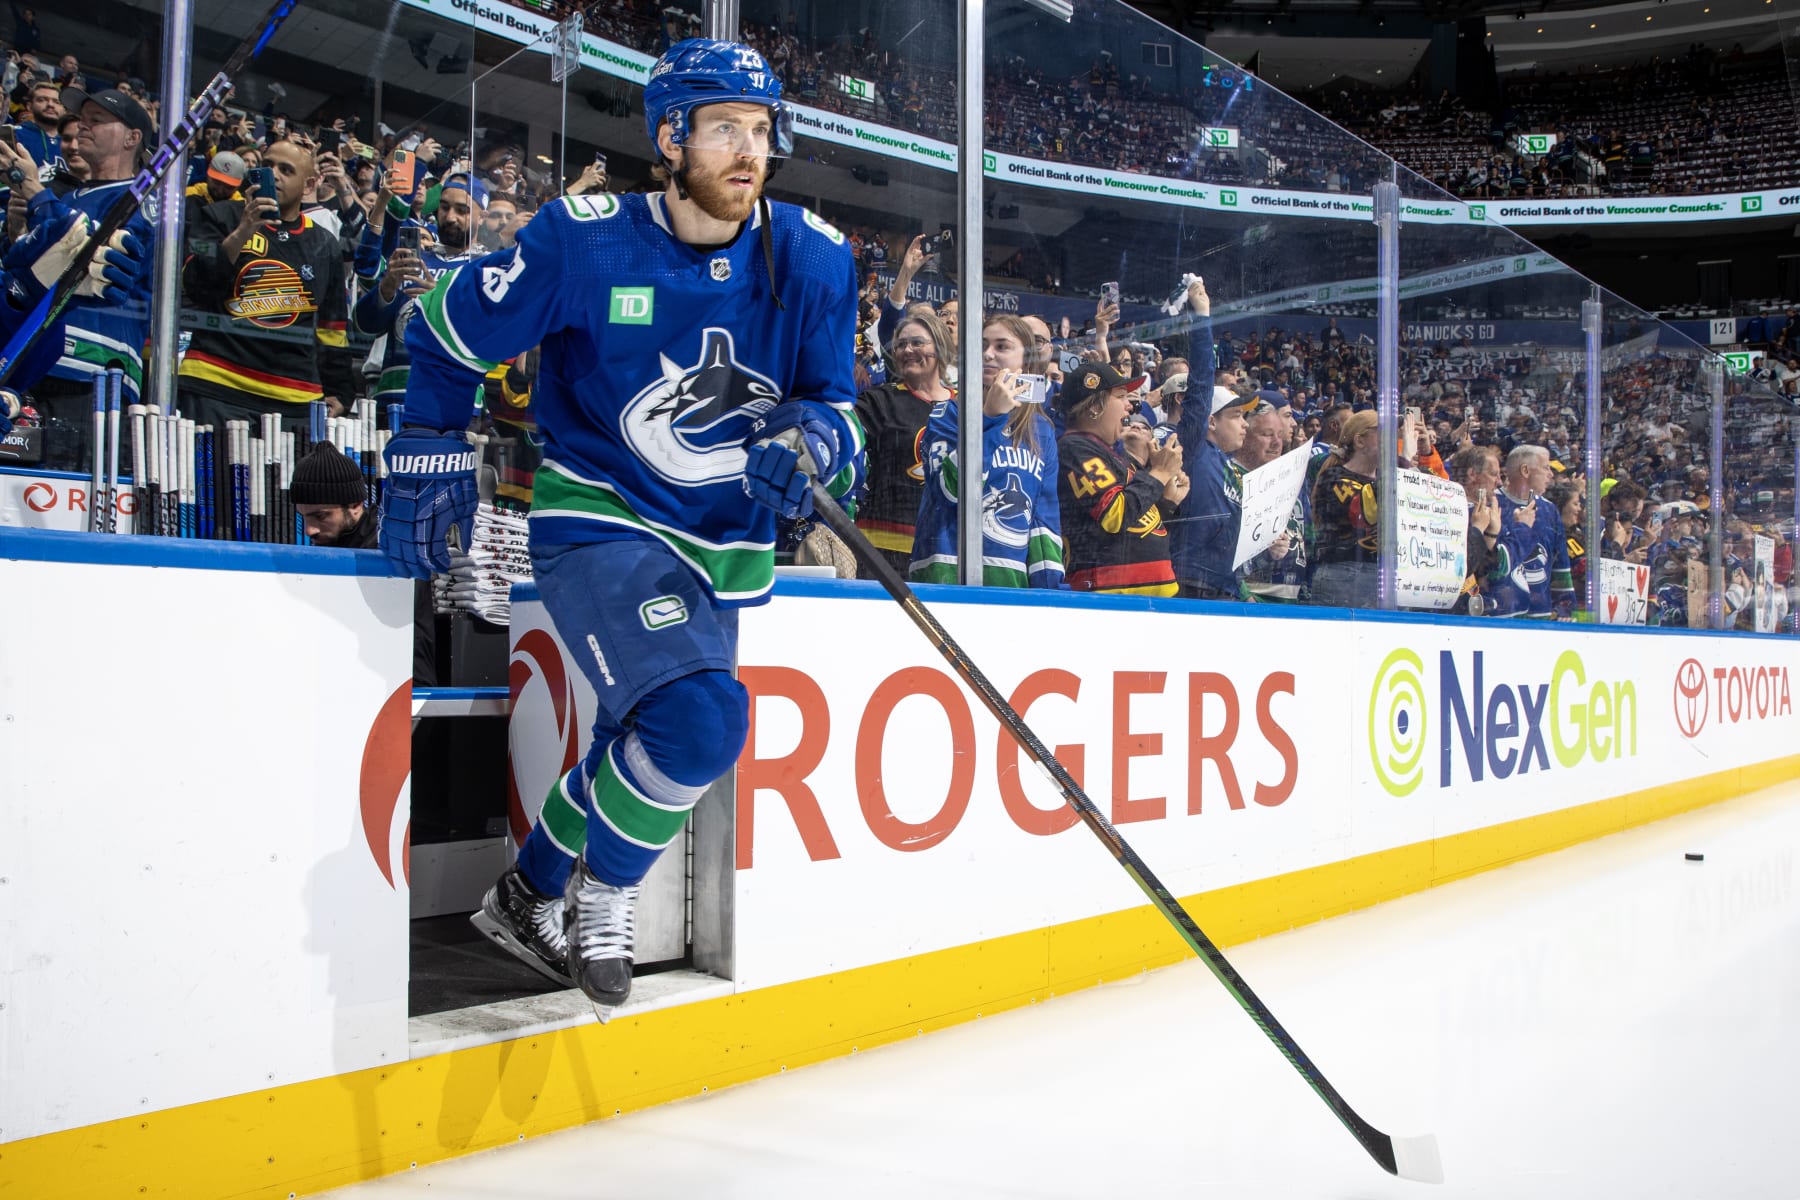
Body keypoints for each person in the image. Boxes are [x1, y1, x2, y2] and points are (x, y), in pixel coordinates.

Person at [380, 39, 863, 1014]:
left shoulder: (812, 258)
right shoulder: (584, 239)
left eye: (761, 131)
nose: (746, 150)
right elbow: (443, 328)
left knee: (640, 739)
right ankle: (606, 892)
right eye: (724, 126)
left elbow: (839, 410)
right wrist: (428, 441)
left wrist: (808, 448)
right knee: (701, 722)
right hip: (596, 514)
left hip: (716, 545)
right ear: (668, 136)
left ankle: (527, 892)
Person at [1, 86, 155, 470]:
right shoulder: (66, 198)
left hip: (93, 384)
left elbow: (91, 253)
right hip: (31, 372)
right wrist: (19, 231)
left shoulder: (144, 201)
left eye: (97, 121)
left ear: (132, 138)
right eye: (82, 119)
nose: (83, 127)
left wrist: (37, 195)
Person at [179, 136, 354, 434]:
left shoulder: (325, 244)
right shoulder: (219, 215)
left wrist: (338, 387)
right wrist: (244, 230)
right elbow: (195, 285)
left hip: (294, 395)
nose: (273, 174)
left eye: (286, 170)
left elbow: (332, 325)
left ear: (309, 185)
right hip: (215, 383)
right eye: (268, 165)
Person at [910, 313, 1062, 588]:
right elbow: (950, 491)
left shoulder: (1041, 429)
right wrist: (988, 417)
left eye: (1002, 347)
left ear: (1025, 361)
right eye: (981, 346)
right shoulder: (947, 413)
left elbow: (1043, 519)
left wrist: (1048, 592)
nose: (988, 354)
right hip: (944, 575)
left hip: (1010, 581)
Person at [1055, 361, 1185, 595]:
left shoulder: (1110, 455)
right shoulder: (1074, 448)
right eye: (1122, 396)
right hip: (1111, 599)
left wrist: (1166, 501)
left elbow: (1136, 528)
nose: (1130, 406)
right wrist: (1159, 473)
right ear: (1095, 405)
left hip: (1139, 600)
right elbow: (1115, 515)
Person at [853, 310, 953, 577]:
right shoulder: (879, 401)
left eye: (917, 342)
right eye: (900, 345)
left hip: (946, 550)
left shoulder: (966, 405)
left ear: (940, 346)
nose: (907, 350)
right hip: (880, 549)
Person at [1489, 444, 1574, 619]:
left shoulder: (1549, 510)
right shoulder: (1492, 505)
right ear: (1525, 470)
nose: (1551, 474)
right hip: (1500, 618)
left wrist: (1564, 608)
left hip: (1541, 619)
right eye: (1546, 468)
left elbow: (1560, 564)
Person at [1308, 409, 1381, 609]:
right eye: (1383, 432)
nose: (1393, 439)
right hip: (1343, 575)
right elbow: (1363, 512)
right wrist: (1403, 462)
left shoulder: (1385, 477)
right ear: (1360, 441)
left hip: (1379, 574)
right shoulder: (1334, 477)